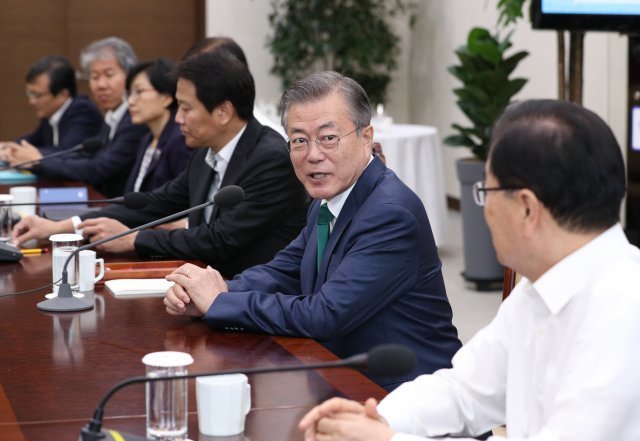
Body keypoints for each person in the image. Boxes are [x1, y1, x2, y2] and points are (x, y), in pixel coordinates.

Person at [298, 99, 640, 441]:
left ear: (527, 208)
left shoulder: (623, 312)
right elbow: (464, 391)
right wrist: (375, 419)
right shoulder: (537, 288)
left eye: (486, 192)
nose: (485, 210)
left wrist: (385, 439)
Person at [163, 71, 461, 391]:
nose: (313, 155)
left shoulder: (390, 214)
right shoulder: (328, 199)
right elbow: (285, 270)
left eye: (328, 138)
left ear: (366, 137)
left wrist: (219, 302)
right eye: (299, 141)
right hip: (340, 376)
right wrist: (216, 290)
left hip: (401, 391)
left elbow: (324, 314)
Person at [12, 51, 308, 277]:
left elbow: (220, 239)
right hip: (202, 281)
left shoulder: (270, 160)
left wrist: (136, 239)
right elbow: (154, 203)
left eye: (186, 108)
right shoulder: (205, 152)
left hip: (254, 295)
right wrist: (65, 226)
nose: (178, 119)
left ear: (223, 112)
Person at [4, 37, 148, 198]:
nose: (101, 85)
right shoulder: (113, 116)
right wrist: (20, 151)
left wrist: (39, 160)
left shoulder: (134, 120)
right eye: (95, 77)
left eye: (109, 75)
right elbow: (84, 154)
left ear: (130, 76)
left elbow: (99, 169)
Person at [0, 55, 102, 158]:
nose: (32, 101)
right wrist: (8, 147)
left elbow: (68, 153)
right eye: (30, 94)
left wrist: (23, 153)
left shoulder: (83, 112)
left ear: (62, 94)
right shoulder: (51, 113)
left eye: (38, 95)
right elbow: (32, 141)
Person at [123, 58, 191, 193]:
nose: (130, 101)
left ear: (166, 97)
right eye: (129, 94)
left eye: (139, 91)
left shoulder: (180, 141)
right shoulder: (146, 140)